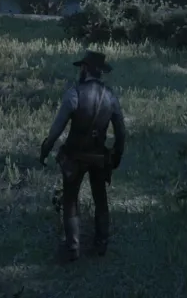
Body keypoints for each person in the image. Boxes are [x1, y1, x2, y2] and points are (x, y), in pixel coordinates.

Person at [39, 50, 127, 262]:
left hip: (74, 157)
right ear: (100, 72)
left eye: (82, 67)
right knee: (100, 199)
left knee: (70, 200)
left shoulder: (74, 94)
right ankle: (101, 243)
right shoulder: (111, 97)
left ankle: (73, 248)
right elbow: (121, 132)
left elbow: (56, 130)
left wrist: (45, 150)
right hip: (99, 157)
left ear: (85, 69)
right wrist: (117, 155)